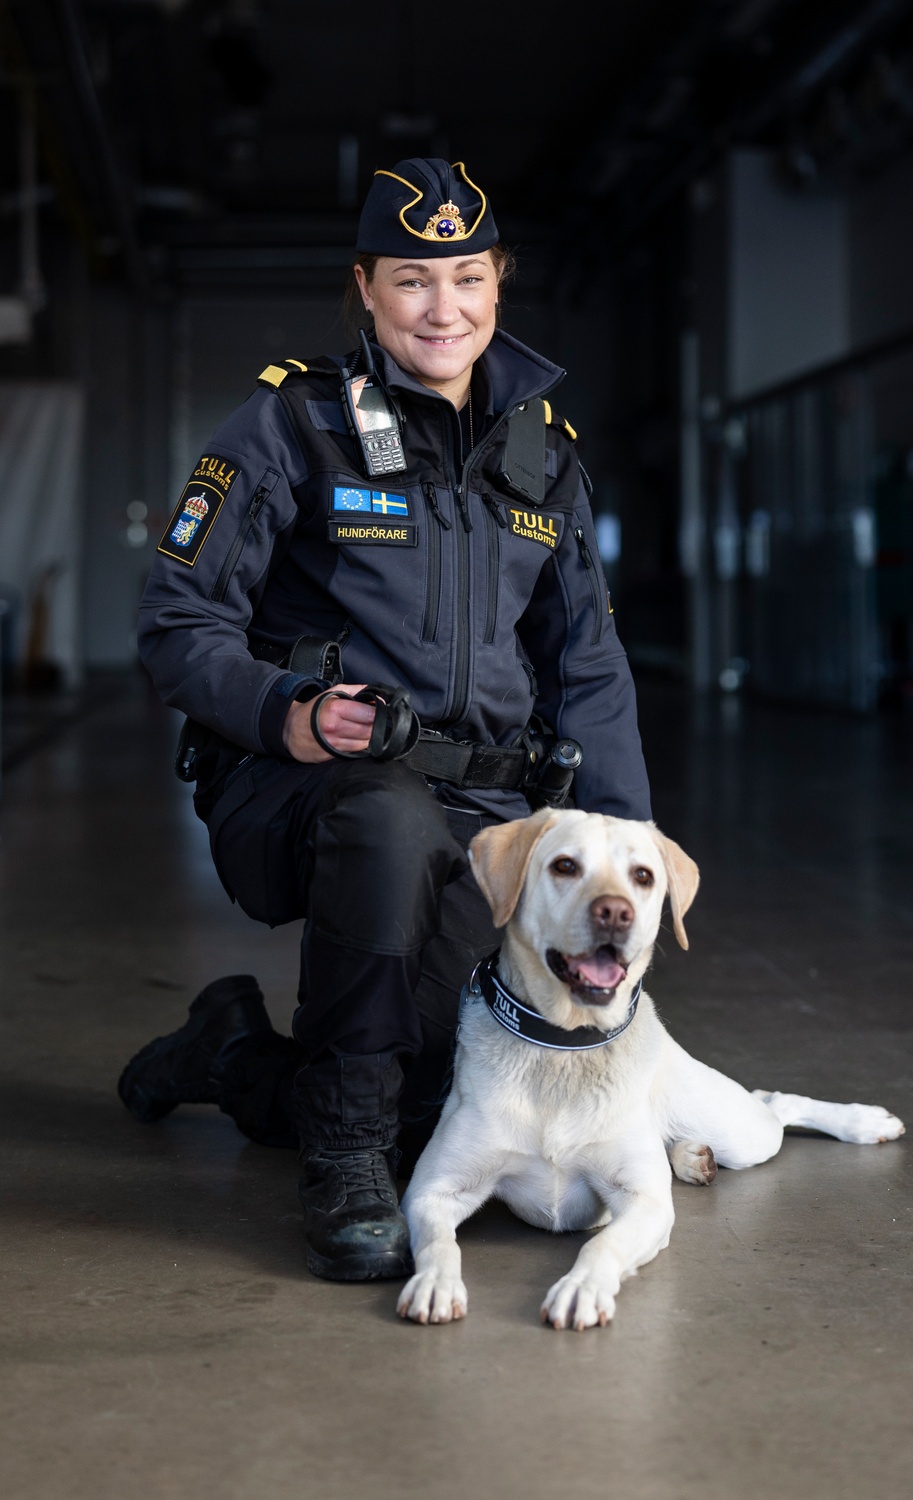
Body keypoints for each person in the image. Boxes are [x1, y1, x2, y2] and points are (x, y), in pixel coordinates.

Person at [117, 158, 652, 1283]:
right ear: (364, 286)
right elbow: (175, 618)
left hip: (484, 815)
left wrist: (621, 859)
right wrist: (289, 710)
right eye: (412, 279)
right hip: (304, 789)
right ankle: (347, 1160)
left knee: (438, 1105)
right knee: (387, 819)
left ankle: (232, 1055)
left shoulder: (542, 460)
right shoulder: (290, 426)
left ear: (500, 281)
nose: (442, 308)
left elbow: (588, 664)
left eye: (466, 276)